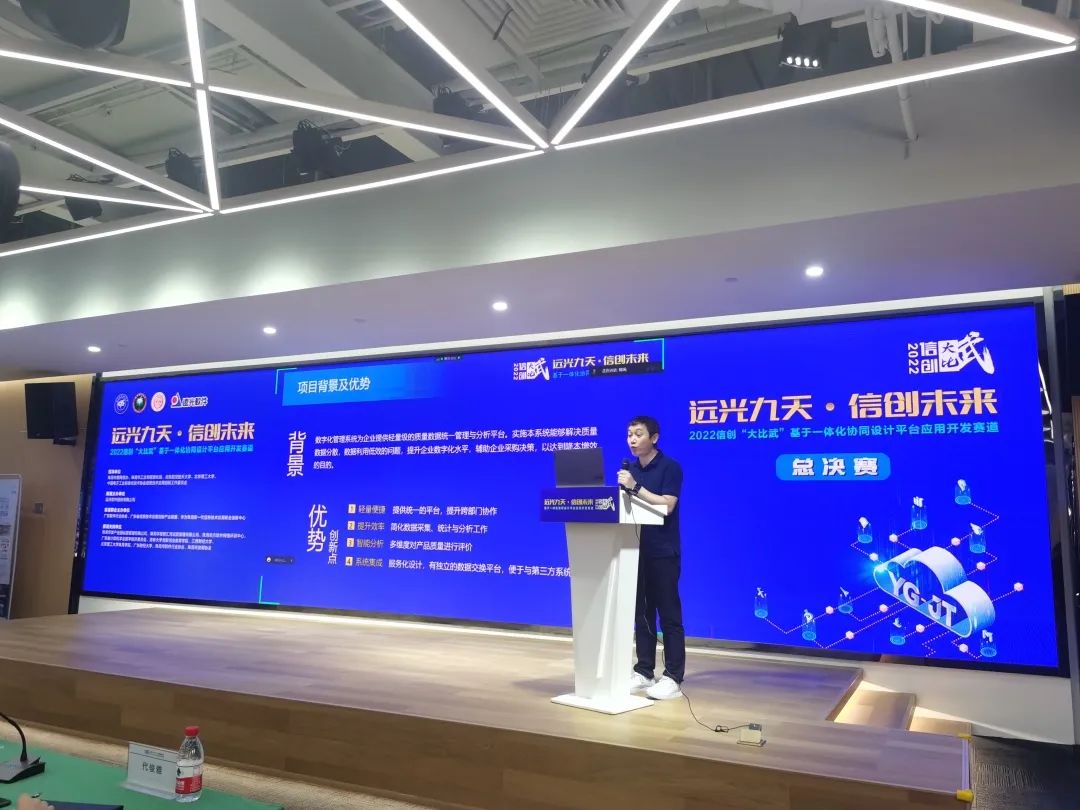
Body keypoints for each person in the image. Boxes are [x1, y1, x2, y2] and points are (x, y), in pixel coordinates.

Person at [617, 415, 685, 700]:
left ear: (654, 438)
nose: (632, 440)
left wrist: (635, 487)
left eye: (638, 434)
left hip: (663, 552)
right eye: (629, 434)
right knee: (642, 615)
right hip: (635, 551)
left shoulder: (670, 467)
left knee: (669, 615)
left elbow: (668, 505)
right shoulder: (630, 470)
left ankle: (673, 677)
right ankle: (644, 671)